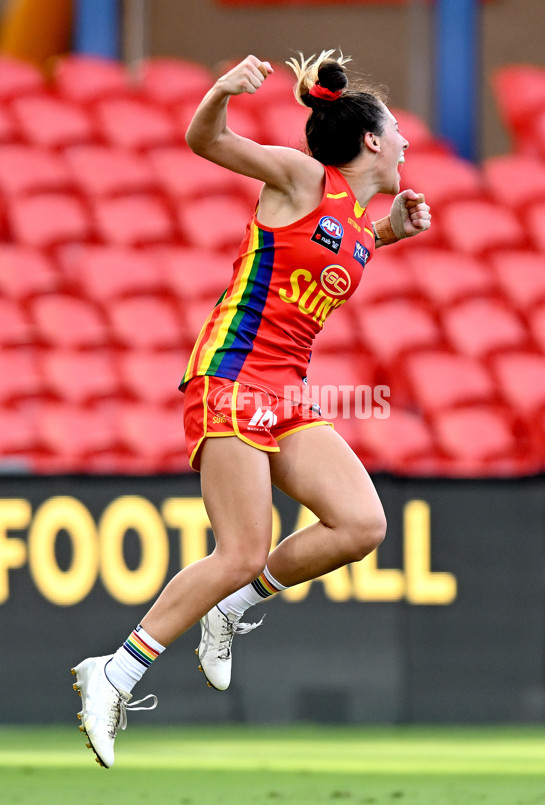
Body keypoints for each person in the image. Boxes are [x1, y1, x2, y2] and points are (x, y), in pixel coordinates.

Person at [71, 50, 431, 769]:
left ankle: (234, 607)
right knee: (240, 549)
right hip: (231, 374)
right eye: (396, 131)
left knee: (361, 523)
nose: (406, 143)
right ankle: (113, 672)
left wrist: (390, 233)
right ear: (369, 141)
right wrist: (221, 92)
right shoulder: (302, 178)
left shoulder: (359, 220)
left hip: (286, 389)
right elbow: (206, 142)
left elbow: (332, 254)